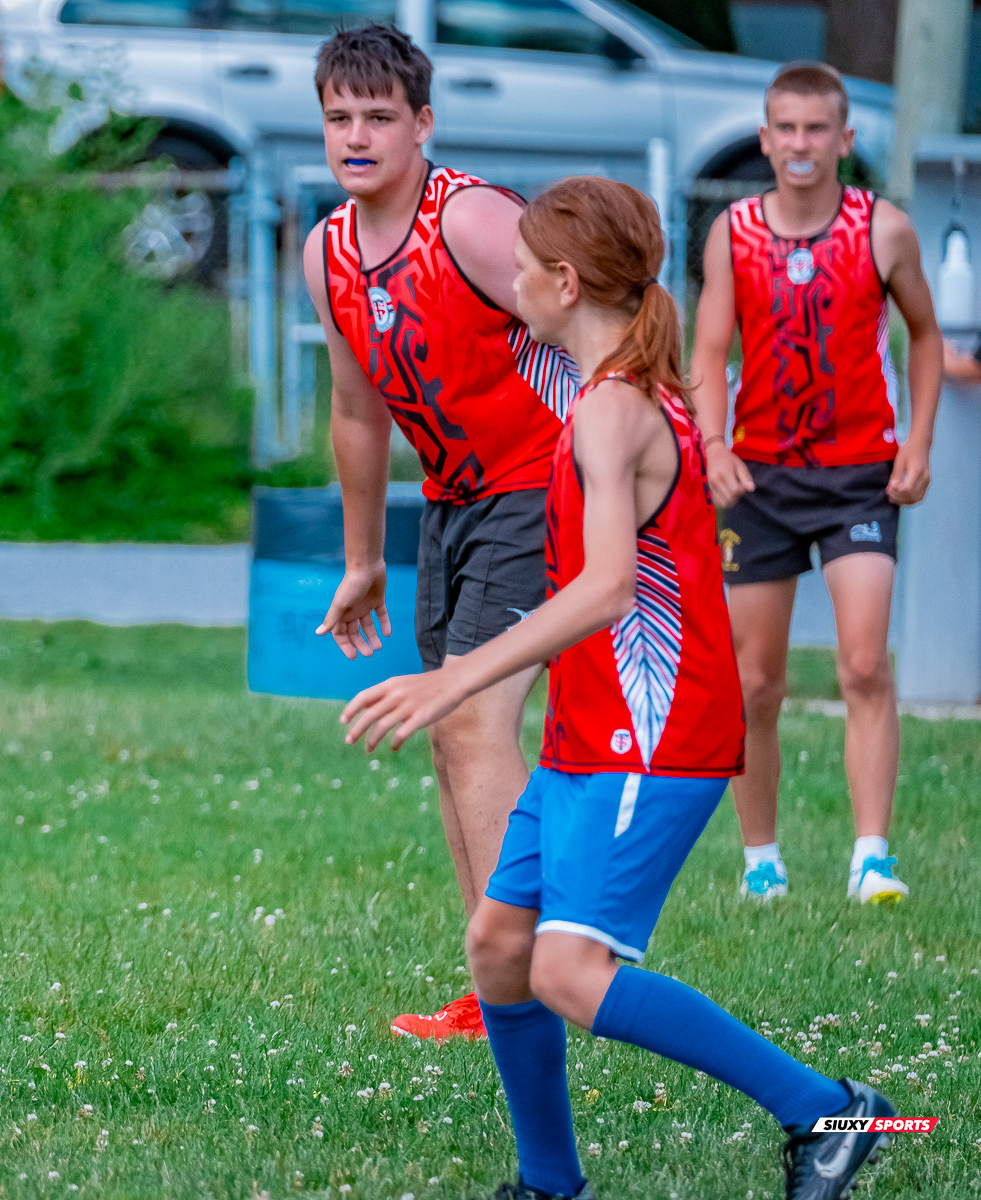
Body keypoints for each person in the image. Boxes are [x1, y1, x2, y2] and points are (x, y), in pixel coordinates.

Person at [342, 176, 895, 1200]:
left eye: (520, 268)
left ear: (564, 283)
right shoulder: (606, 385)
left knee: (566, 971)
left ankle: (828, 1109)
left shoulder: (612, 410)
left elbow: (606, 590)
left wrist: (452, 678)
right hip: (592, 733)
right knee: (499, 945)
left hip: (657, 737)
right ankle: (550, 1184)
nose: (505, 282)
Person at [304, 23, 578, 1041]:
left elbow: (602, 313)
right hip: (454, 501)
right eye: (339, 117)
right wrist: (362, 558)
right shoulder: (327, 251)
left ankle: (537, 982)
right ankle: (497, 988)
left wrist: (638, 462)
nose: (357, 136)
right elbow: (356, 408)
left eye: (379, 117)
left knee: (469, 720)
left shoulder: (469, 220)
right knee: (452, 735)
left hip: (542, 484)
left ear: (423, 124)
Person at [691, 61, 941, 904]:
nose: (801, 144)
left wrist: (918, 443)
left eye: (816, 129)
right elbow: (708, 351)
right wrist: (713, 445)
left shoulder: (884, 230)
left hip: (859, 479)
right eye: (787, 129)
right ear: (765, 140)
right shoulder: (733, 233)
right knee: (756, 682)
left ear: (845, 139)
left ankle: (873, 858)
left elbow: (926, 337)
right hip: (757, 480)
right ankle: (762, 862)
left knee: (864, 663)